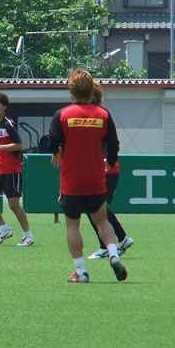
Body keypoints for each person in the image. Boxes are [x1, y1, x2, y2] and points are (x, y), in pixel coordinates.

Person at [48, 69, 127, 283]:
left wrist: (57, 151)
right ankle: (113, 253)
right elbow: (114, 145)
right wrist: (110, 161)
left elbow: (51, 141)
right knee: (102, 220)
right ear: (92, 89)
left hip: (71, 180)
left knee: (73, 225)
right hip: (95, 179)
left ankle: (81, 272)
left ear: (71, 90)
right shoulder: (103, 115)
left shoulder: (62, 115)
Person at [0, 92, 34, 247]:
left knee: (13, 204)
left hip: (12, 170)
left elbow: (18, 145)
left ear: (4, 107)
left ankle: (28, 236)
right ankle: (4, 229)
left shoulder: (9, 123)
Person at [86, 82, 134, 259]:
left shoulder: (101, 116)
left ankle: (114, 242)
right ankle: (119, 240)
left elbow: (110, 142)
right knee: (95, 208)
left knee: (96, 208)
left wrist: (106, 158)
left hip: (106, 171)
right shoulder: (94, 115)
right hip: (102, 170)